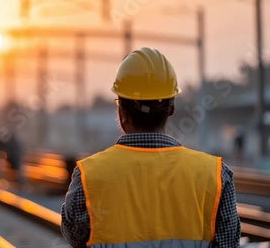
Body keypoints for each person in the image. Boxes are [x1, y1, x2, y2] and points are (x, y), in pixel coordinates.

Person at [61, 48, 240, 248]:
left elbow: (75, 237)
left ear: (122, 112)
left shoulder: (89, 175)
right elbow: (228, 244)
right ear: (171, 109)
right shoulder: (214, 175)